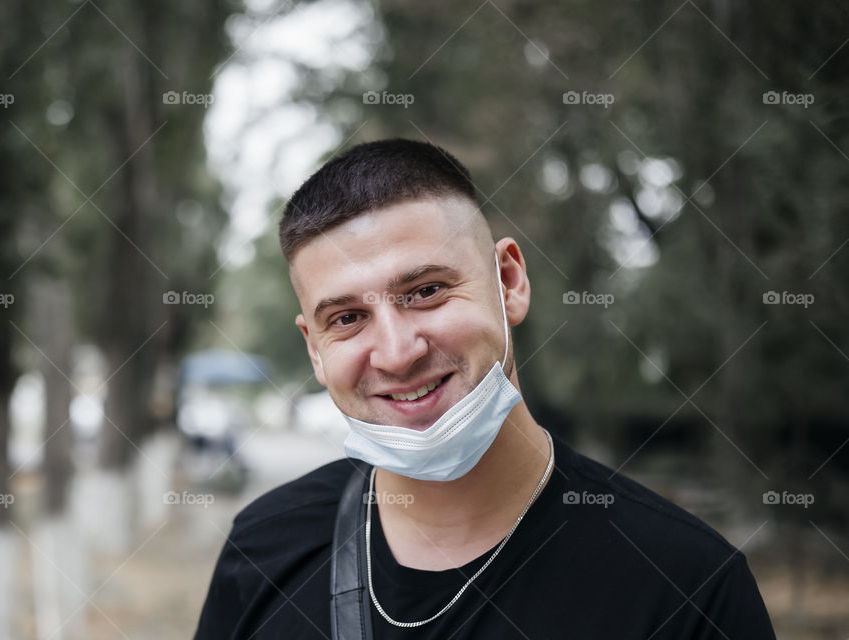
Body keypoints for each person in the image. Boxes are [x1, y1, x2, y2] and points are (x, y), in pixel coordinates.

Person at [194, 139, 776, 639]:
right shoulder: (263, 550)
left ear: (509, 281)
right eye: (347, 318)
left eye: (426, 291)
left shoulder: (686, 586)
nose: (397, 353)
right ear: (315, 350)